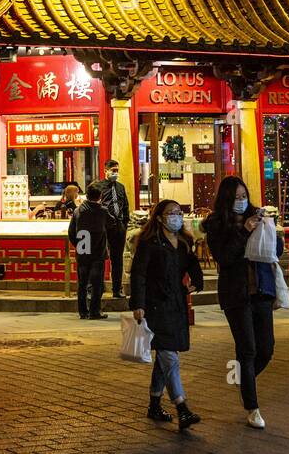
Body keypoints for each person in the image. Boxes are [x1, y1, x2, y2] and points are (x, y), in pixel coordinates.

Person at [204, 176, 284, 430]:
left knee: (266, 348)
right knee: (247, 348)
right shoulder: (216, 224)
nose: (241, 201)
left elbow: (276, 250)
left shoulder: (257, 216)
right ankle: (252, 406)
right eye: (236, 197)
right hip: (235, 294)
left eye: (244, 196)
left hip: (261, 291)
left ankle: (242, 378)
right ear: (227, 199)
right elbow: (224, 257)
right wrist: (244, 230)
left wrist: (271, 228)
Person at [129, 198, 204, 430]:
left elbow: (193, 265)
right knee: (170, 356)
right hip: (155, 305)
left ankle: (154, 403)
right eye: (171, 213)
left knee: (164, 357)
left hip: (176, 305)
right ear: (160, 217)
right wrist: (138, 303)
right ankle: (181, 407)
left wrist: (197, 282)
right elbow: (138, 274)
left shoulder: (183, 242)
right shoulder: (149, 242)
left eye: (179, 212)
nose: (176, 216)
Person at [68, 183, 110, 319]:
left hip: (82, 250)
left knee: (82, 283)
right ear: (100, 197)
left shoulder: (78, 211)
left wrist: (78, 244)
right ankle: (95, 311)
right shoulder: (103, 211)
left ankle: (82, 311)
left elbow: (71, 232)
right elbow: (112, 223)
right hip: (98, 252)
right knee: (97, 284)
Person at [99, 159, 130, 299]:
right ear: (106, 170)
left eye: (117, 170)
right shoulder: (97, 186)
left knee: (117, 259)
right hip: (103, 228)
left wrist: (124, 223)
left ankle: (117, 289)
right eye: (113, 170)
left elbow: (125, 207)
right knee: (99, 258)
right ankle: (95, 289)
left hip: (119, 227)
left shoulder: (120, 187)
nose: (115, 173)